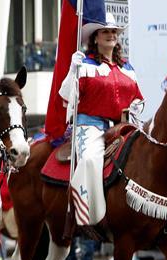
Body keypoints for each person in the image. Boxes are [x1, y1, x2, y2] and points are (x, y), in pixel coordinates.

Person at [59, 13, 143, 226]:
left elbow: (137, 98)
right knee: (89, 160)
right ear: (95, 38)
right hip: (90, 126)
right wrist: (72, 69)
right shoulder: (84, 65)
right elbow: (66, 97)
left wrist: (136, 106)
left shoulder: (128, 68)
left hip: (123, 126)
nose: (111, 35)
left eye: (114, 31)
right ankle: (90, 217)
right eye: (105, 31)